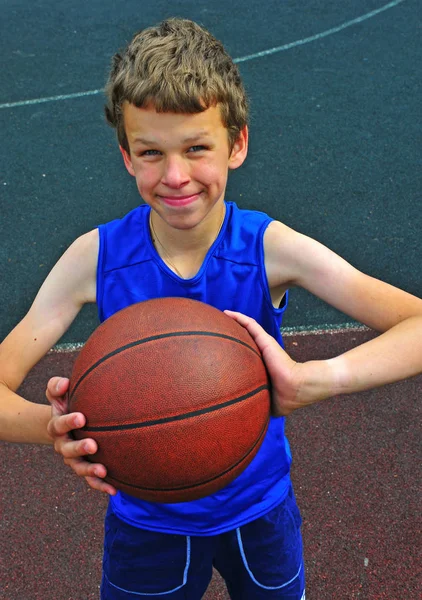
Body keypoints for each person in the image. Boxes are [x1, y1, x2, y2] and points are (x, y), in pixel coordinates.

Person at [1, 17, 421, 600]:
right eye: (151, 153)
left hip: (259, 513)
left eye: (197, 148)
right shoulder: (94, 259)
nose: (175, 177)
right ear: (126, 155)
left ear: (237, 144)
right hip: (146, 526)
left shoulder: (267, 249)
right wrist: (52, 428)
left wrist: (318, 379)